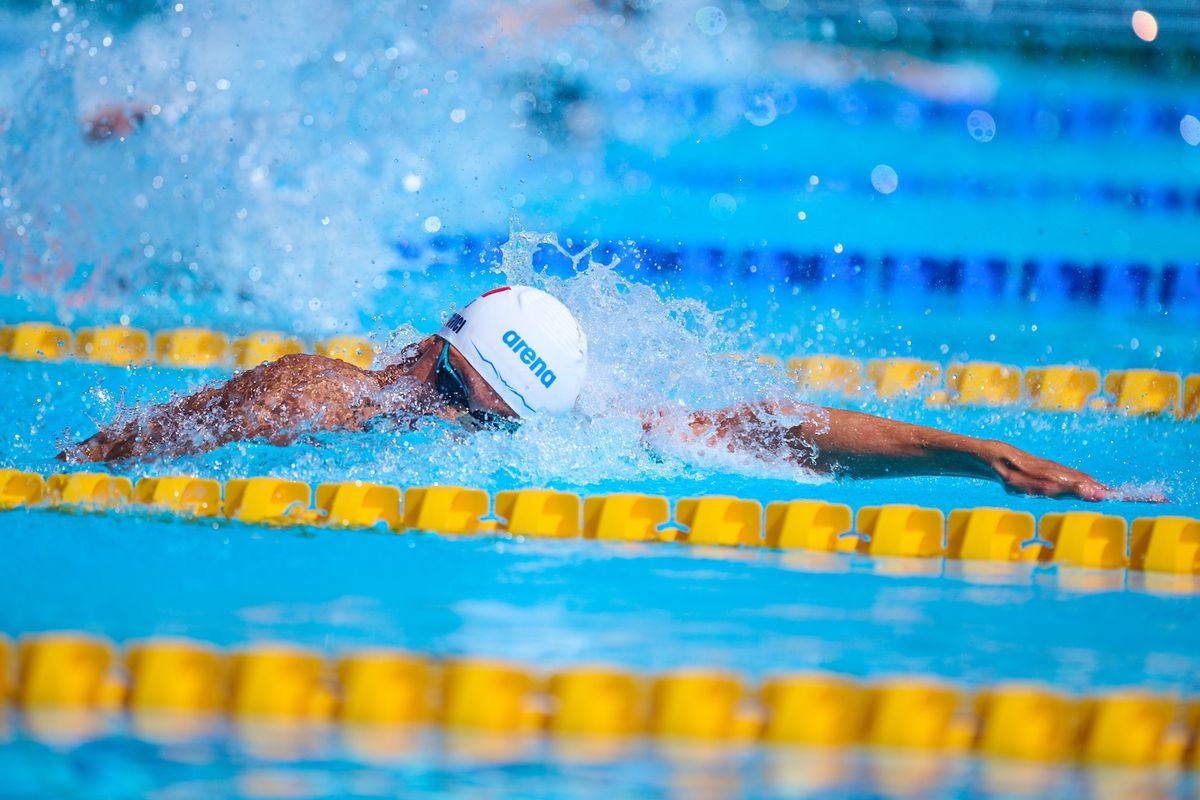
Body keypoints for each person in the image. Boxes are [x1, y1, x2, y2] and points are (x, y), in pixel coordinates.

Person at [61, 285, 1129, 501]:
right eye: (449, 388)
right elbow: (130, 446)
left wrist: (974, 454)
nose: (449, 418)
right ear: (430, 346)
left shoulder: (574, 435)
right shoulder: (324, 398)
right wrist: (77, 470)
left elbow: (777, 432)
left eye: (483, 416)